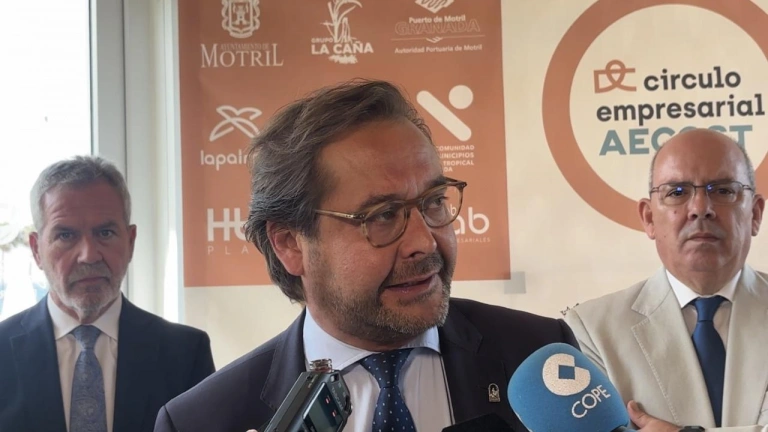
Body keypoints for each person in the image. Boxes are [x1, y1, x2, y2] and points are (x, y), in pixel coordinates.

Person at [154, 79, 579, 432]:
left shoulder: (541, 354)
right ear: (290, 243)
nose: (424, 242)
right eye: (383, 216)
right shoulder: (202, 420)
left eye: (433, 201)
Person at [564, 128, 767, 431]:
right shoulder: (591, 330)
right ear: (649, 218)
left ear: (755, 214)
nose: (700, 209)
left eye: (723, 191)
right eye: (677, 192)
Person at [0, 156, 216, 432]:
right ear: (36, 250)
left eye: (105, 232)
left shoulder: (185, 353)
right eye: (65, 235)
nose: (89, 255)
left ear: (130, 242)